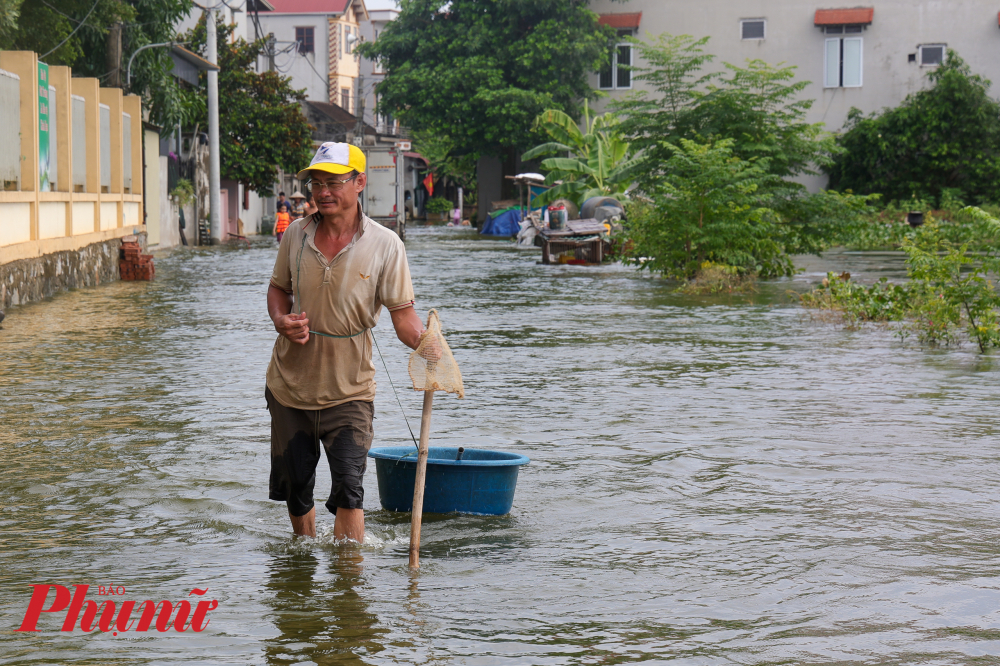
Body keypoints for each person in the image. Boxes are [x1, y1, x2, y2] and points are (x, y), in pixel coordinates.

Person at [266, 142, 431, 542]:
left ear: (359, 183)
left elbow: (405, 321)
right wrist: (280, 320)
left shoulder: (386, 244)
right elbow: (277, 291)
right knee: (296, 490)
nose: (322, 191)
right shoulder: (295, 236)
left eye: (333, 182)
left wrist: (430, 348)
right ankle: (302, 555)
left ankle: (349, 586)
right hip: (290, 387)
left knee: (350, 493)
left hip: (351, 390)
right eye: (316, 183)